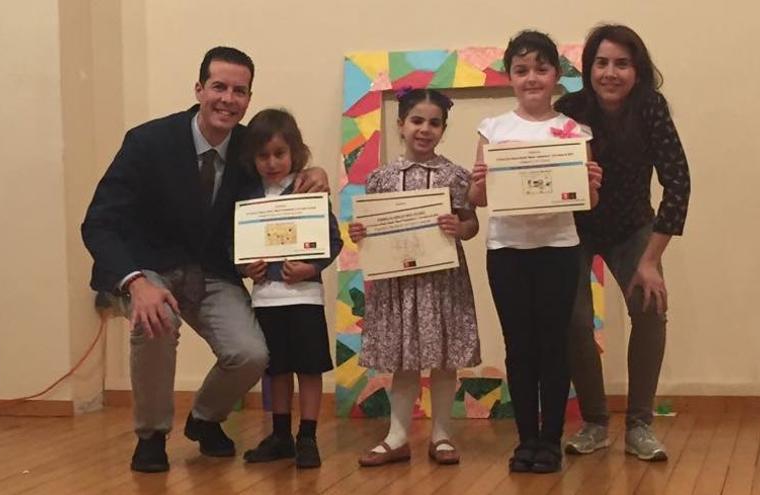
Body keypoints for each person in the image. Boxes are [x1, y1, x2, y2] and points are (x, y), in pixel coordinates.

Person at [81, 46, 329, 473]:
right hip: (148, 268)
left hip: (211, 273)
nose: (228, 99)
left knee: (253, 353)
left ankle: (204, 419)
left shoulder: (252, 148)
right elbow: (98, 222)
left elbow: (285, 177)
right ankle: (152, 435)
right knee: (157, 320)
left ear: (249, 98)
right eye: (219, 87)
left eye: (239, 91)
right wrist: (135, 282)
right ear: (199, 89)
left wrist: (315, 173)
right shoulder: (147, 142)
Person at [468, 30, 602, 473]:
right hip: (506, 249)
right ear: (510, 76)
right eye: (521, 70)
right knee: (519, 346)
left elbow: (588, 201)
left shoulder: (572, 130)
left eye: (541, 69)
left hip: (560, 248)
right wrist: (479, 183)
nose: (531, 78)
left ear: (555, 76)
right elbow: (479, 200)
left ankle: (551, 439)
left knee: (553, 345)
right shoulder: (493, 129)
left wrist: (592, 184)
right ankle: (525, 440)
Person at [555, 24, 691, 462]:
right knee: (573, 319)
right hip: (573, 227)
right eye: (601, 63)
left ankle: (640, 425)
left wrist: (651, 260)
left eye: (622, 63)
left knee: (651, 309)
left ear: (637, 70)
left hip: (633, 226)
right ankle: (594, 422)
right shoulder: (569, 109)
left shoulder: (651, 109)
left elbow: (679, 184)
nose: (610, 73)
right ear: (588, 68)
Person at [348, 88, 481, 467]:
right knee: (404, 358)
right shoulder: (380, 178)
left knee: (443, 356)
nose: (425, 129)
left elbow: (470, 224)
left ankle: (441, 434)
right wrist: (361, 233)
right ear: (401, 125)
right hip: (399, 283)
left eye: (434, 122)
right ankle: (397, 435)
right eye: (417, 121)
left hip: (443, 282)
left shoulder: (456, 175)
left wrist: (461, 226)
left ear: (443, 128)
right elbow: (370, 229)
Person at [236, 109, 342, 469]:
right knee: (276, 369)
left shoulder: (308, 188)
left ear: (295, 152)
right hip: (265, 298)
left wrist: (312, 267)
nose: (271, 162)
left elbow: (332, 240)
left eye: (279, 154)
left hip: (306, 297)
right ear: (252, 158)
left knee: (309, 368)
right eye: (263, 155)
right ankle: (280, 435)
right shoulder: (248, 196)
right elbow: (236, 245)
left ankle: (307, 437)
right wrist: (244, 266)